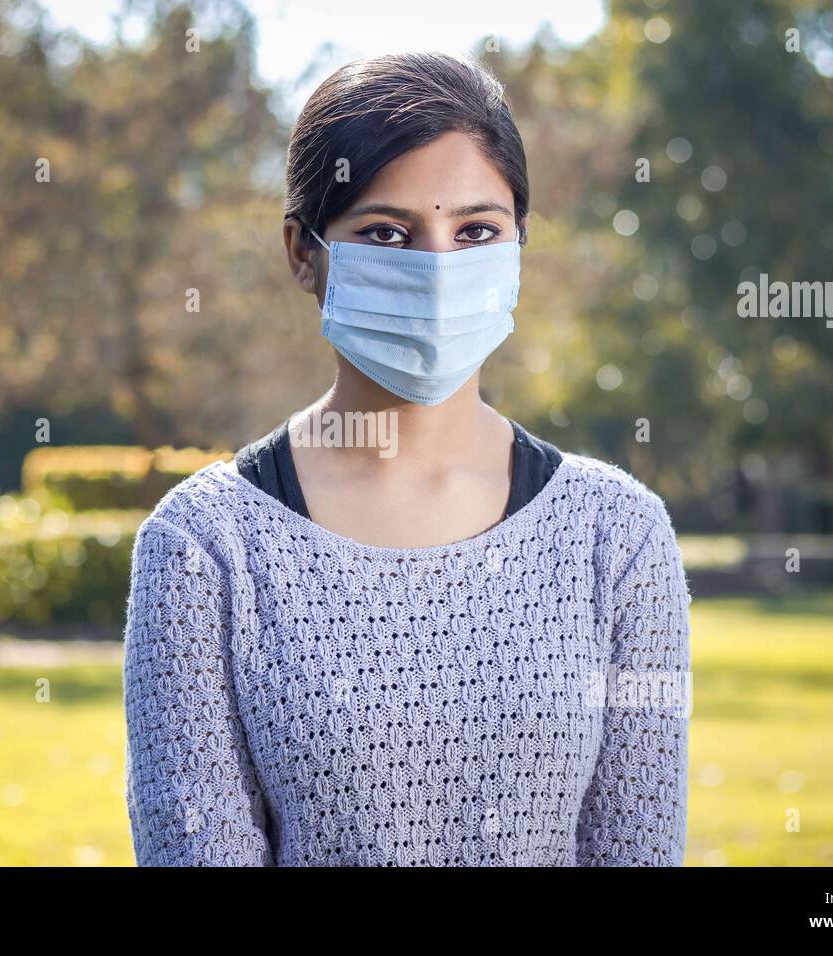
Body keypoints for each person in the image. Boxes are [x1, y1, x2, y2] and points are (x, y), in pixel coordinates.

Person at [123, 51, 692, 866]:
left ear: (519, 247)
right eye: (387, 232)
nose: (436, 270)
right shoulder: (203, 549)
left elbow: (640, 848)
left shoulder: (622, 540)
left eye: (476, 231)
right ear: (302, 252)